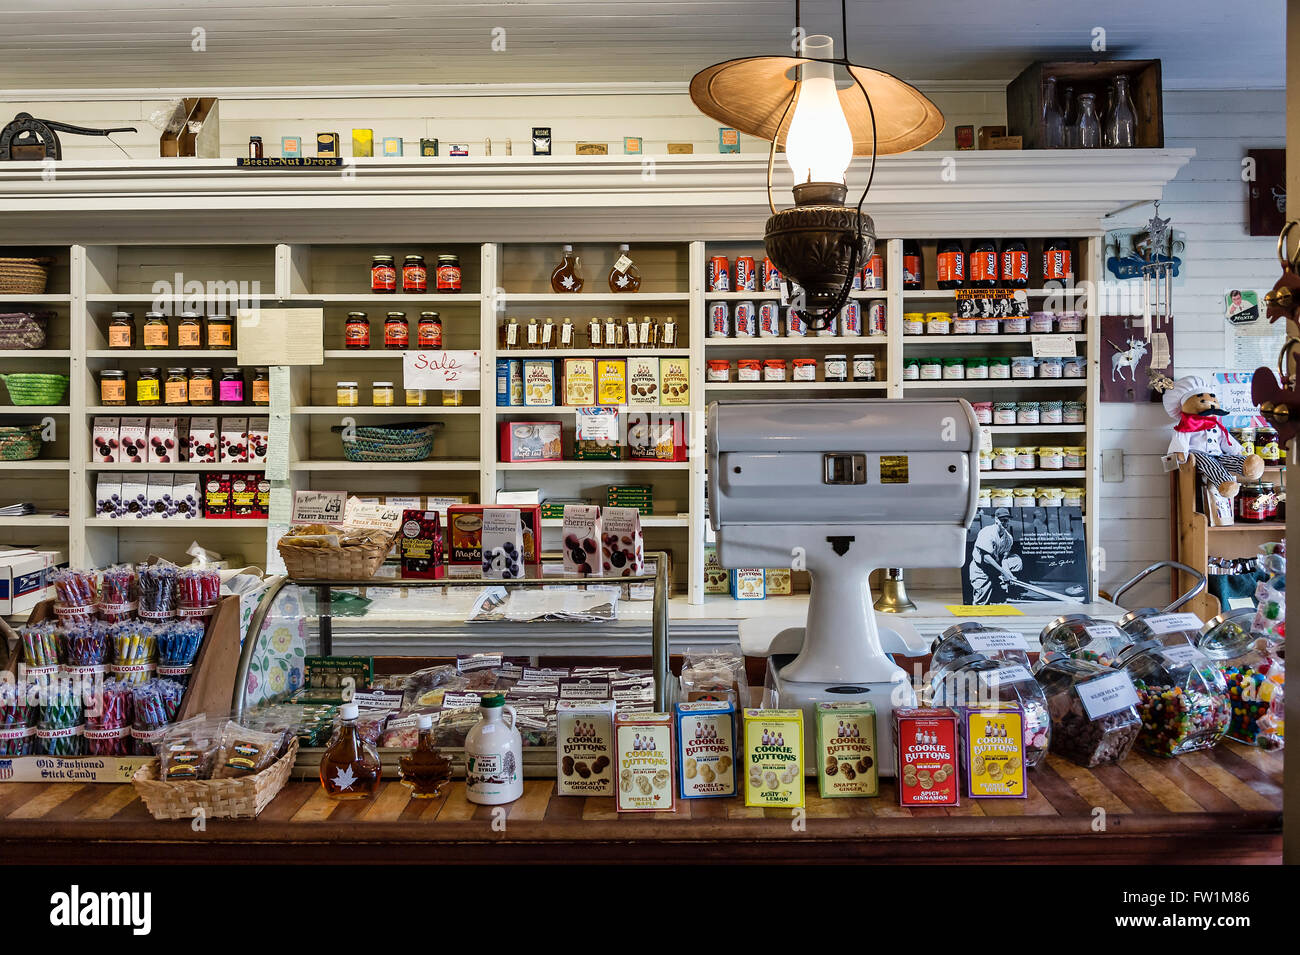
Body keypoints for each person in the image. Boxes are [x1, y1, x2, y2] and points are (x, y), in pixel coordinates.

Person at [968, 508, 1016, 605]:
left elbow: (1004, 557)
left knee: (999, 601)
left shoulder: (1008, 538)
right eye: (1002, 520)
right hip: (980, 569)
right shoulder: (987, 532)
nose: (1005, 522)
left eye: (1007, 520)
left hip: (995, 569)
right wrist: (1003, 572)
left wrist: (1008, 573)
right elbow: (986, 557)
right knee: (981, 601)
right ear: (996, 520)